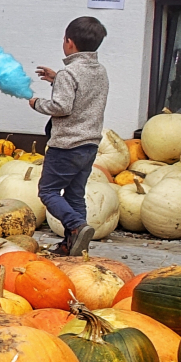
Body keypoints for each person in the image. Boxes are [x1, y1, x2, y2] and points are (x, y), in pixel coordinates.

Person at [27, 16, 110, 257]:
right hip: (89, 145)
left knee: (48, 191)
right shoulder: (99, 70)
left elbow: (62, 107)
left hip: (66, 146)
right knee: (75, 194)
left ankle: (76, 226)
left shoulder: (69, 73)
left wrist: (37, 103)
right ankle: (74, 245)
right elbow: (83, 93)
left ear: (69, 42)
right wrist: (57, 80)